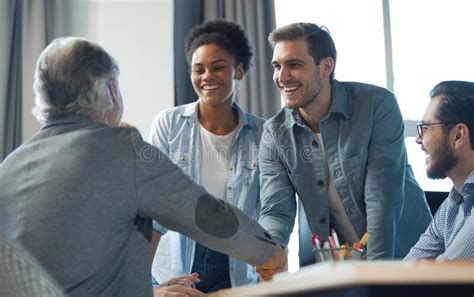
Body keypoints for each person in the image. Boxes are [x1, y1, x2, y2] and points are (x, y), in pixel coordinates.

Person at [0, 37, 286, 297]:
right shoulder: (121, 149)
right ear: (110, 89)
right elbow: (205, 214)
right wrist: (267, 252)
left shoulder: (10, 166)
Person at [257, 22, 432, 275]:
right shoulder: (275, 134)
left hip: (411, 258)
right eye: (277, 66)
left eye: (294, 65)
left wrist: (378, 280)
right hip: (343, 268)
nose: (282, 77)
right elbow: (276, 209)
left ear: (326, 66)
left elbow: (381, 200)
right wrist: (269, 251)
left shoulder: (377, 105)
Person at [149, 20, 265, 293]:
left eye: (218, 67)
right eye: (198, 69)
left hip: (237, 267)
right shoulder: (169, 124)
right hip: (178, 267)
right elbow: (152, 207)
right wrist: (141, 286)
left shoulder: (264, 134)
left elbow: (270, 208)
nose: (207, 76)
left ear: (238, 71)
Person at [404, 81, 474, 260]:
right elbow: (408, 269)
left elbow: (444, 279)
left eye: (425, 128)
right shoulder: (454, 201)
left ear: (458, 135)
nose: (418, 140)